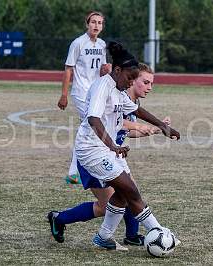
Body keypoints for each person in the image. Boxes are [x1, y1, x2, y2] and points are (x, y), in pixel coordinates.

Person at [50, 42, 180, 251]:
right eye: (130, 78)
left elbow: (138, 110)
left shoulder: (119, 90)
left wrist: (163, 127)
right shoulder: (103, 86)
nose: (130, 83)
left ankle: (104, 237)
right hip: (91, 149)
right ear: (117, 70)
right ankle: (158, 231)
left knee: (124, 193)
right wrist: (113, 146)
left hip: (107, 151)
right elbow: (93, 118)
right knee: (129, 190)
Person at [57, 11, 111, 184]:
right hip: (81, 92)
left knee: (86, 129)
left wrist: (107, 69)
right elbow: (68, 69)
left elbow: (102, 69)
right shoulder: (78, 43)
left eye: (100, 23)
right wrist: (64, 94)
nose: (96, 25)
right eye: (93, 22)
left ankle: (74, 172)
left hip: (95, 92)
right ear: (87, 24)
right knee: (93, 125)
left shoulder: (102, 44)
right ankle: (77, 171)